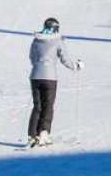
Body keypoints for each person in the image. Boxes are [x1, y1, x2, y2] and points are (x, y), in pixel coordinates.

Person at [28, 17, 82, 147]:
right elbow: (65, 60)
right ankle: (43, 133)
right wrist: (76, 66)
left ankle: (32, 135)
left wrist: (38, 66)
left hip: (35, 76)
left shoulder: (36, 40)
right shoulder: (58, 41)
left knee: (37, 106)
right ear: (57, 27)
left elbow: (32, 58)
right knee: (48, 106)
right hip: (50, 77)